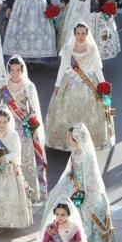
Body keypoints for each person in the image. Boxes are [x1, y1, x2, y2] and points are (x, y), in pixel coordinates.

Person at [44, 125, 118, 242]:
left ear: (76, 138)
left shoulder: (86, 155)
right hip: (75, 190)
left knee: (85, 224)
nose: (67, 139)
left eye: (69, 137)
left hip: (87, 194)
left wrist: (86, 201)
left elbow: (92, 180)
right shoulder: (76, 152)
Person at [46, 24, 114, 153]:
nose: (81, 36)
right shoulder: (68, 48)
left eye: (83, 33)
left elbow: (98, 69)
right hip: (70, 82)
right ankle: (68, 141)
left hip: (89, 84)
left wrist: (103, 85)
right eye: (78, 33)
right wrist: (57, 84)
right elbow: (62, 67)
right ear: (74, 33)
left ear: (87, 34)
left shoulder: (92, 48)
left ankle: (86, 141)